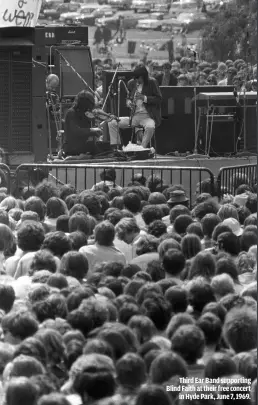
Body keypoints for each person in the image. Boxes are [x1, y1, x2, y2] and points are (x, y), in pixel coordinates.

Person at [108, 64, 162, 149]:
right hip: (135, 116)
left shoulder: (152, 82)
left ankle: (142, 149)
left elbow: (158, 99)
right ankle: (116, 147)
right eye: (135, 78)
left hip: (148, 116)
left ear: (143, 76)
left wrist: (144, 98)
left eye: (138, 78)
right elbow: (128, 98)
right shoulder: (131, 83)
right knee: (112, 122)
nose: (137, 80)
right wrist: (129, 103)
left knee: (150, 127)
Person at [63, 90, 102, 156]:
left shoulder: (83, 113)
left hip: (82, 145)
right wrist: (92, 130)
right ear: (84, 104)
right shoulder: (71, 113)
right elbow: (76, 131)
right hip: (72, 147)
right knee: (93, 147)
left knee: (104, 145)